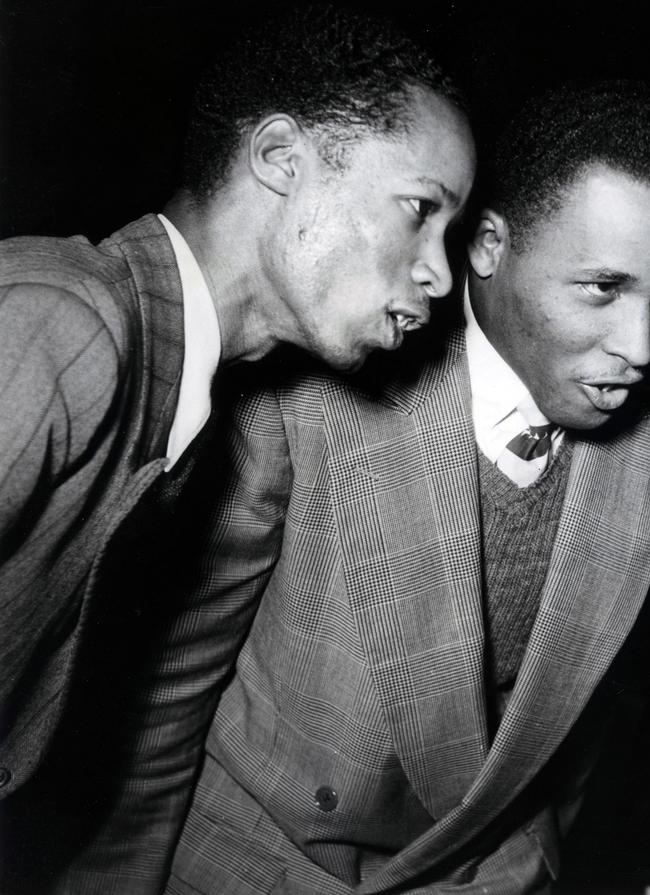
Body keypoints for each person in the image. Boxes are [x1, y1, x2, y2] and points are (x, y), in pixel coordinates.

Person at [70, 80, 650, 894]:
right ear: (487, 245)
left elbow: (581, 704)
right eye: (602, 288)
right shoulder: (310, 380)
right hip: (265, 865)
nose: (642, 346)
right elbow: (164, 693)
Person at [0, 2, 474, 829]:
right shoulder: (64, 324)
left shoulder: (185, 406)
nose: (439, 271)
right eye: (420, 209)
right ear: (281, 157)